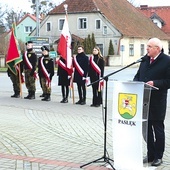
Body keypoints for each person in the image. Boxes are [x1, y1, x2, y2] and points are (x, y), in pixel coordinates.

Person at [133, 38, 170, 166]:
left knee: (158, 129)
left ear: (157, 49)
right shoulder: (145, 59)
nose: (147, 48)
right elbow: (138, 75)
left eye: (149, 46)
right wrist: (135, 82)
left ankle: (158, 156)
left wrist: (155, 83)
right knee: (146, 129)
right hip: (144, 100)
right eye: (147, 46)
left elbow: (168, 81)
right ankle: (150, 155)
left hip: (157, 102)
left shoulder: (167, 60)